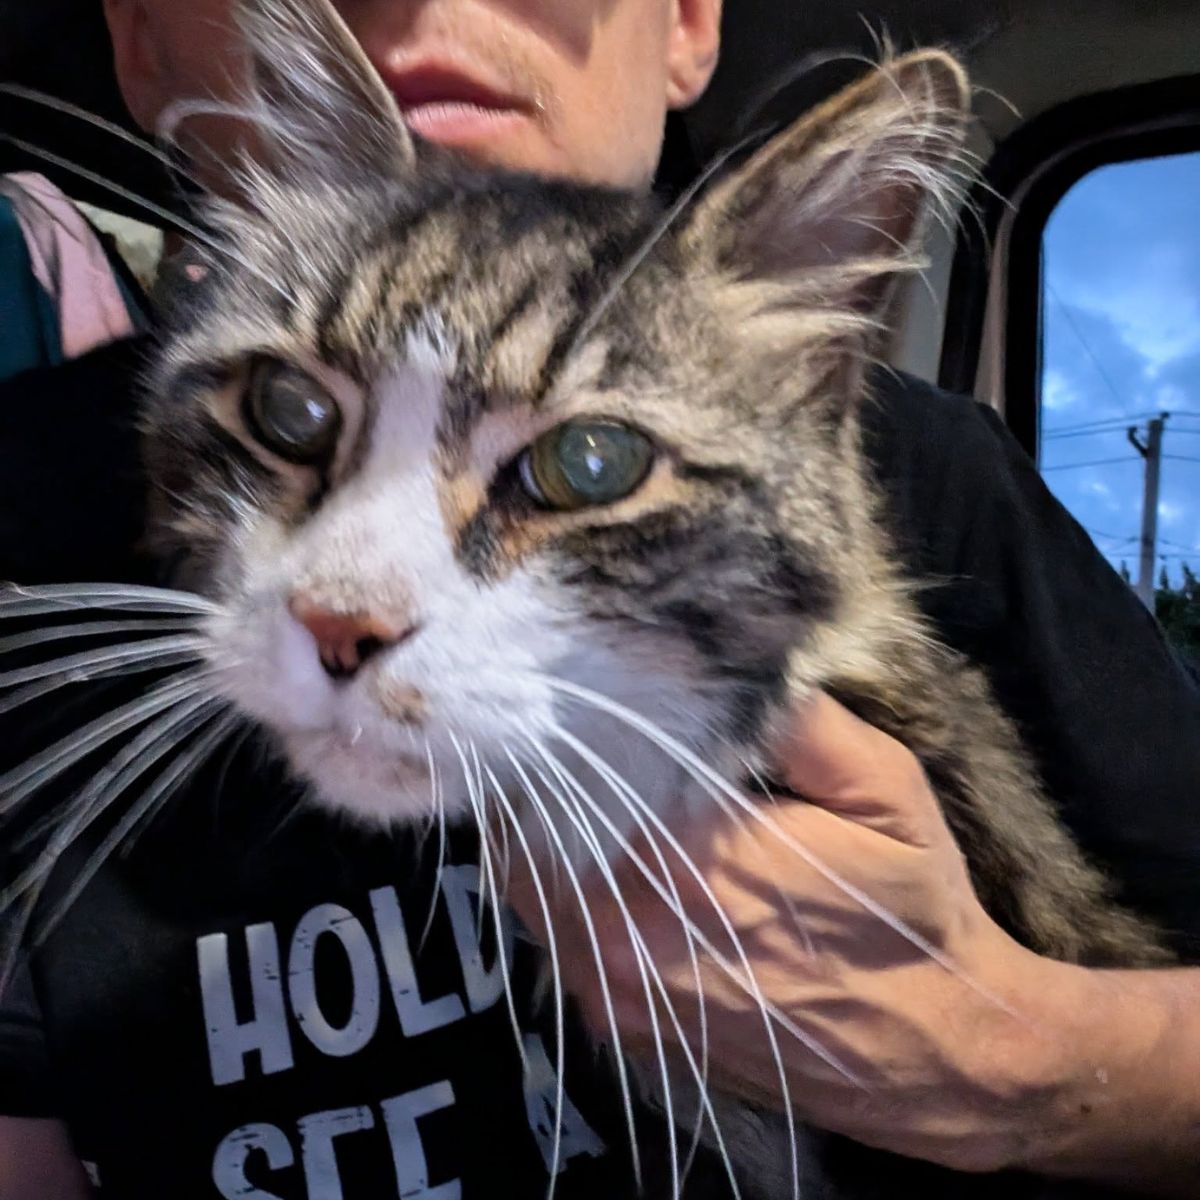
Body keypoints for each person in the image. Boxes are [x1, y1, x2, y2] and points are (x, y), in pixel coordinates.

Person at [0, 1, 1197, 1198]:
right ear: (141, 45)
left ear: (685, 27)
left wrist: (1014, 1058)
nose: (345, 606)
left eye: (585, 464)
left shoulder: (951, 488)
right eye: (293, 415)